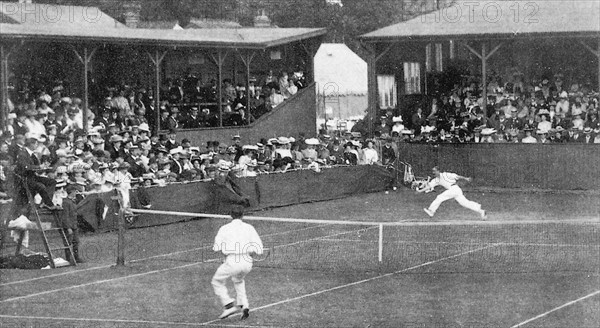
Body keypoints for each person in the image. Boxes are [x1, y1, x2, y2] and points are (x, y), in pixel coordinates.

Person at [211, 207, 263, 320]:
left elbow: (216, 247)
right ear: (242, 215)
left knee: (217, 281)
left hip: (232, 261)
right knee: (238, 280)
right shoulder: (249, 228)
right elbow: (259, 248)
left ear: (230, 215)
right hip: (247, 262)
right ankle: (244, 305)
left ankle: (228, 305)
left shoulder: (224, 228)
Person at [417, 166, 486, 219]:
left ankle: (431, 211)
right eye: (433, 171)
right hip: (454, 191)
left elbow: (457, 176)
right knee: (464, 203)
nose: (433, 172)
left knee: (440, 197)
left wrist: (466, 178)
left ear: (439, 171)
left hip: (455, 189)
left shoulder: (446, 174)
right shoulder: (435, 180)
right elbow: (429, 186)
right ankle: (481, 211)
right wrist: (420, 191)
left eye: (435, 171)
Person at [58, 184, 85, 263]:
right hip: (70, 226)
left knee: (76, 242)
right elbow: (65, 216)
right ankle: (68, 259)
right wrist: (68, 227)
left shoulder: (71, 201)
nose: (76, 193)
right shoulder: (66, 202)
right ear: (72, 192)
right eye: (75, 191)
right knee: (68, 242)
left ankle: (76, 258)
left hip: (74, 225)